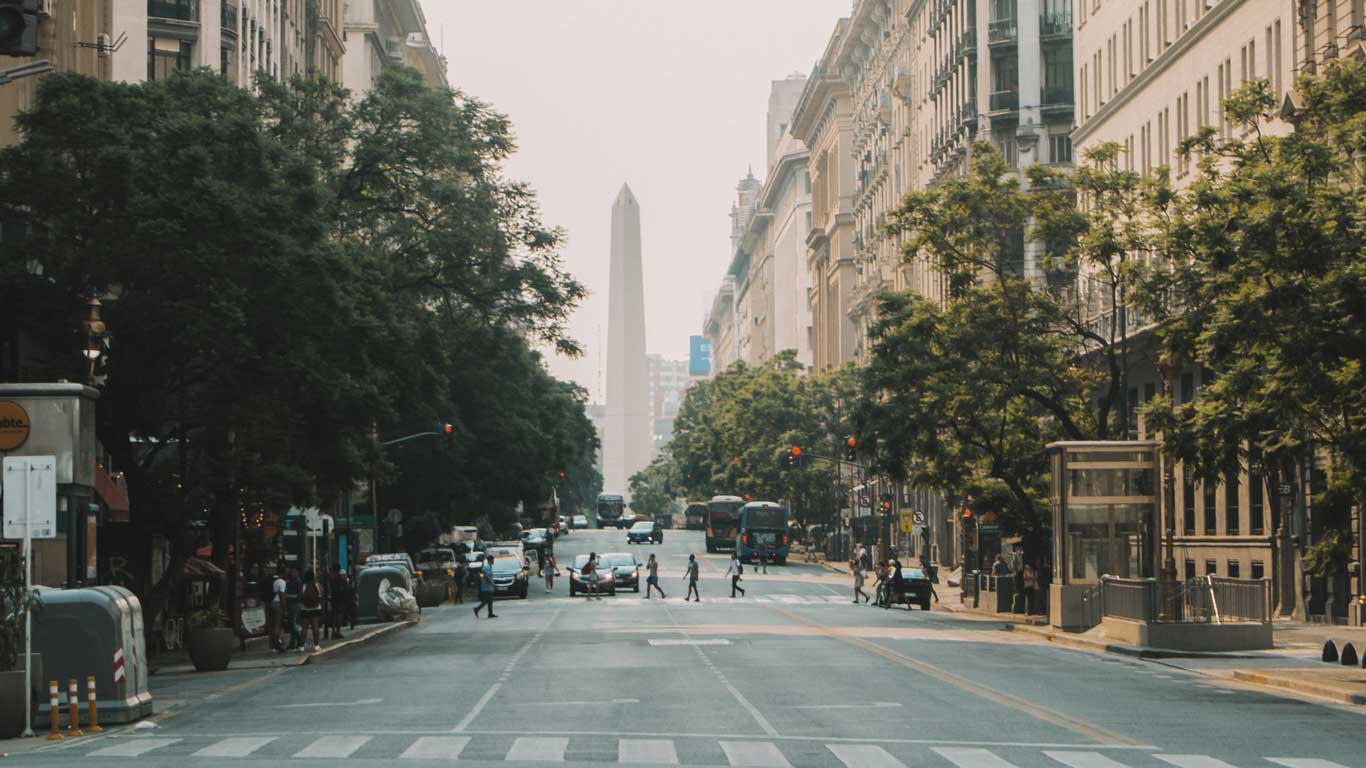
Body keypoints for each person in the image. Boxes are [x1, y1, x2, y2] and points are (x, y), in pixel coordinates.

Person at [300, 569, 324, 652]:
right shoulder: (317, 585)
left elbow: (300, 596)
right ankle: (316, 645)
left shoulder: (304, 586)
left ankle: (302, 646)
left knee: (304, 628)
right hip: (316, 608)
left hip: (305, 609)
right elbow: (321, 594)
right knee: (315, 627)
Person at [285, 567, 303, 651]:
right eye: (291, 572)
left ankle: (299, 640)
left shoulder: (298, 581)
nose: (292, 573)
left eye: (294, 572)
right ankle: (293, 642)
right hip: (291, 604)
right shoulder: (290, 581)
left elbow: (299, 595)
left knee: (293, 624)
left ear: (297, 572)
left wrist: (288, 596)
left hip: (295, 604)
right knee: (292, 624)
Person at [270, 567, 287, 652]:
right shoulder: (282, 582)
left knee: (275, 625)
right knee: (279, 624)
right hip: (279, 603)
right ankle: (277, 644)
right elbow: (282, 595)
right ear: (282, 573)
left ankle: (276, 643)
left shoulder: (275, 581)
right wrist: (285, 608)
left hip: (273, 603)